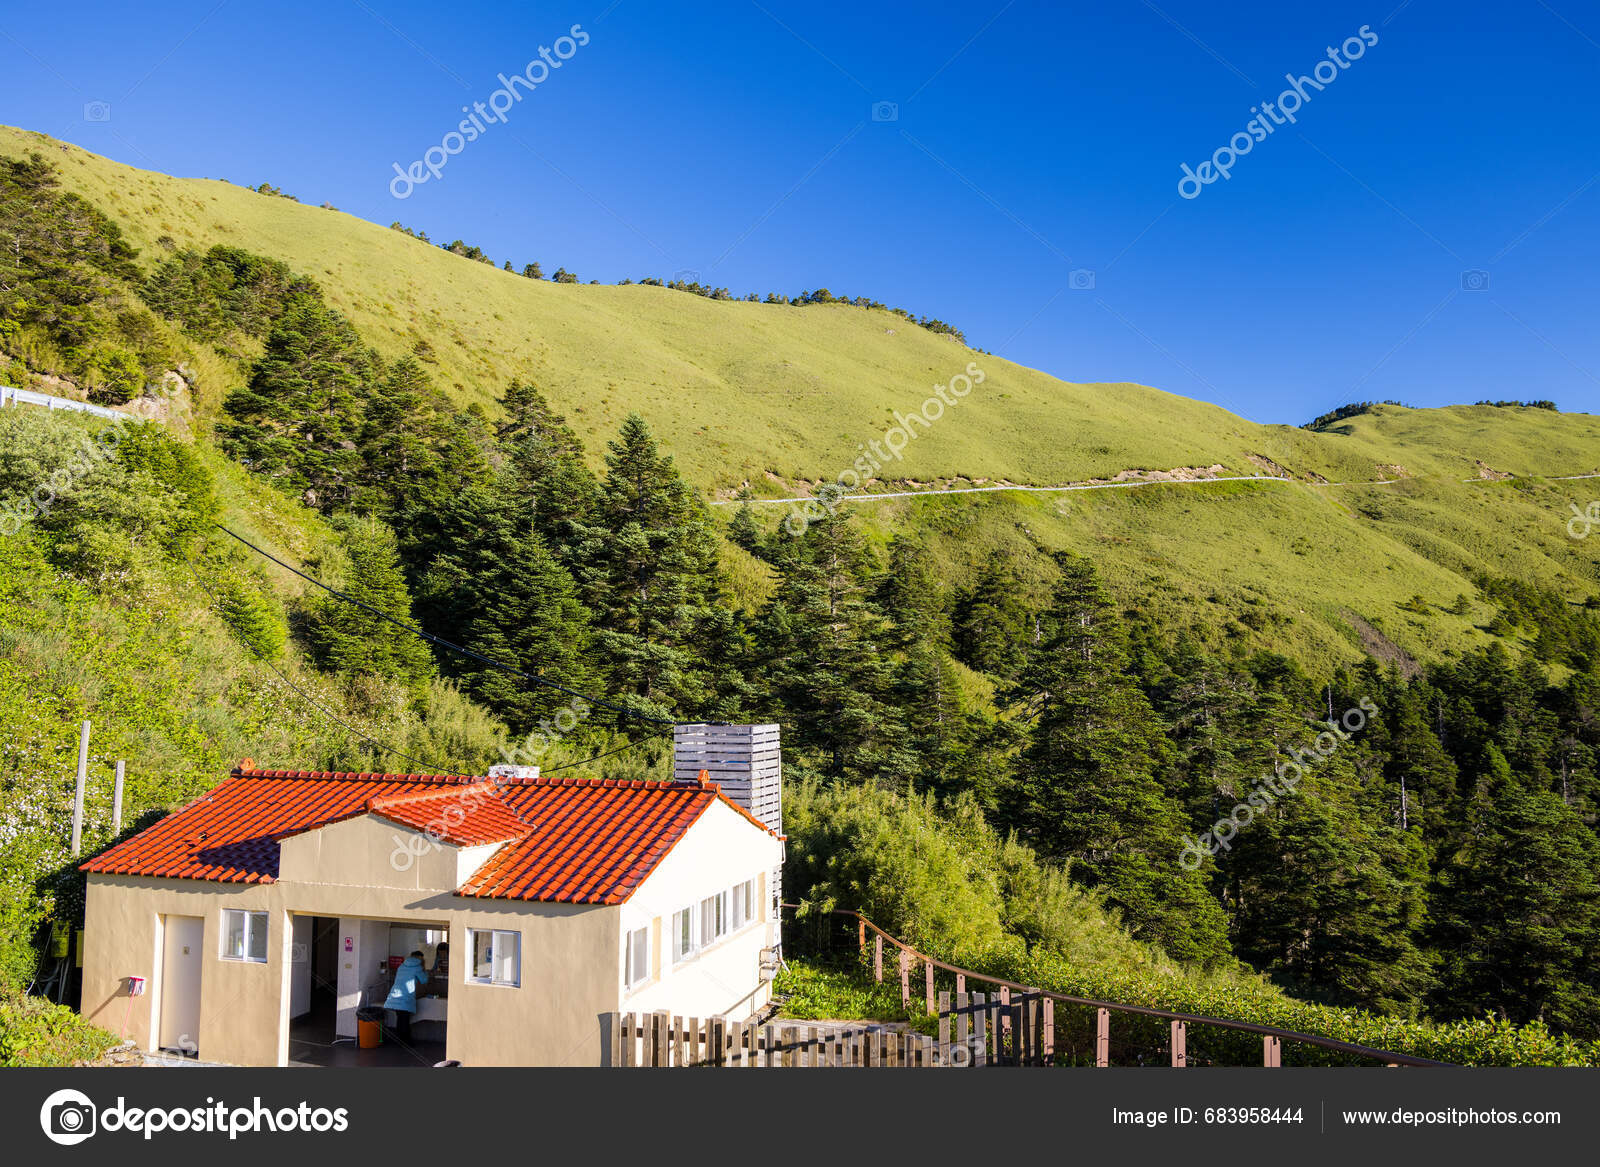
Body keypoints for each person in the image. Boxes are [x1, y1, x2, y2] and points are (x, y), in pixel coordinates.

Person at [384, 950, 428, 1041]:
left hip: (395, 995)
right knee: (405, 1020)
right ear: (420, 959)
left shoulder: (402, 965)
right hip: (405, 997)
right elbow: (424, 980)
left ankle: (400, 1040)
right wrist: (424, 969)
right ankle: (406, 1041)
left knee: (400, 1019)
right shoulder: (418, 967)